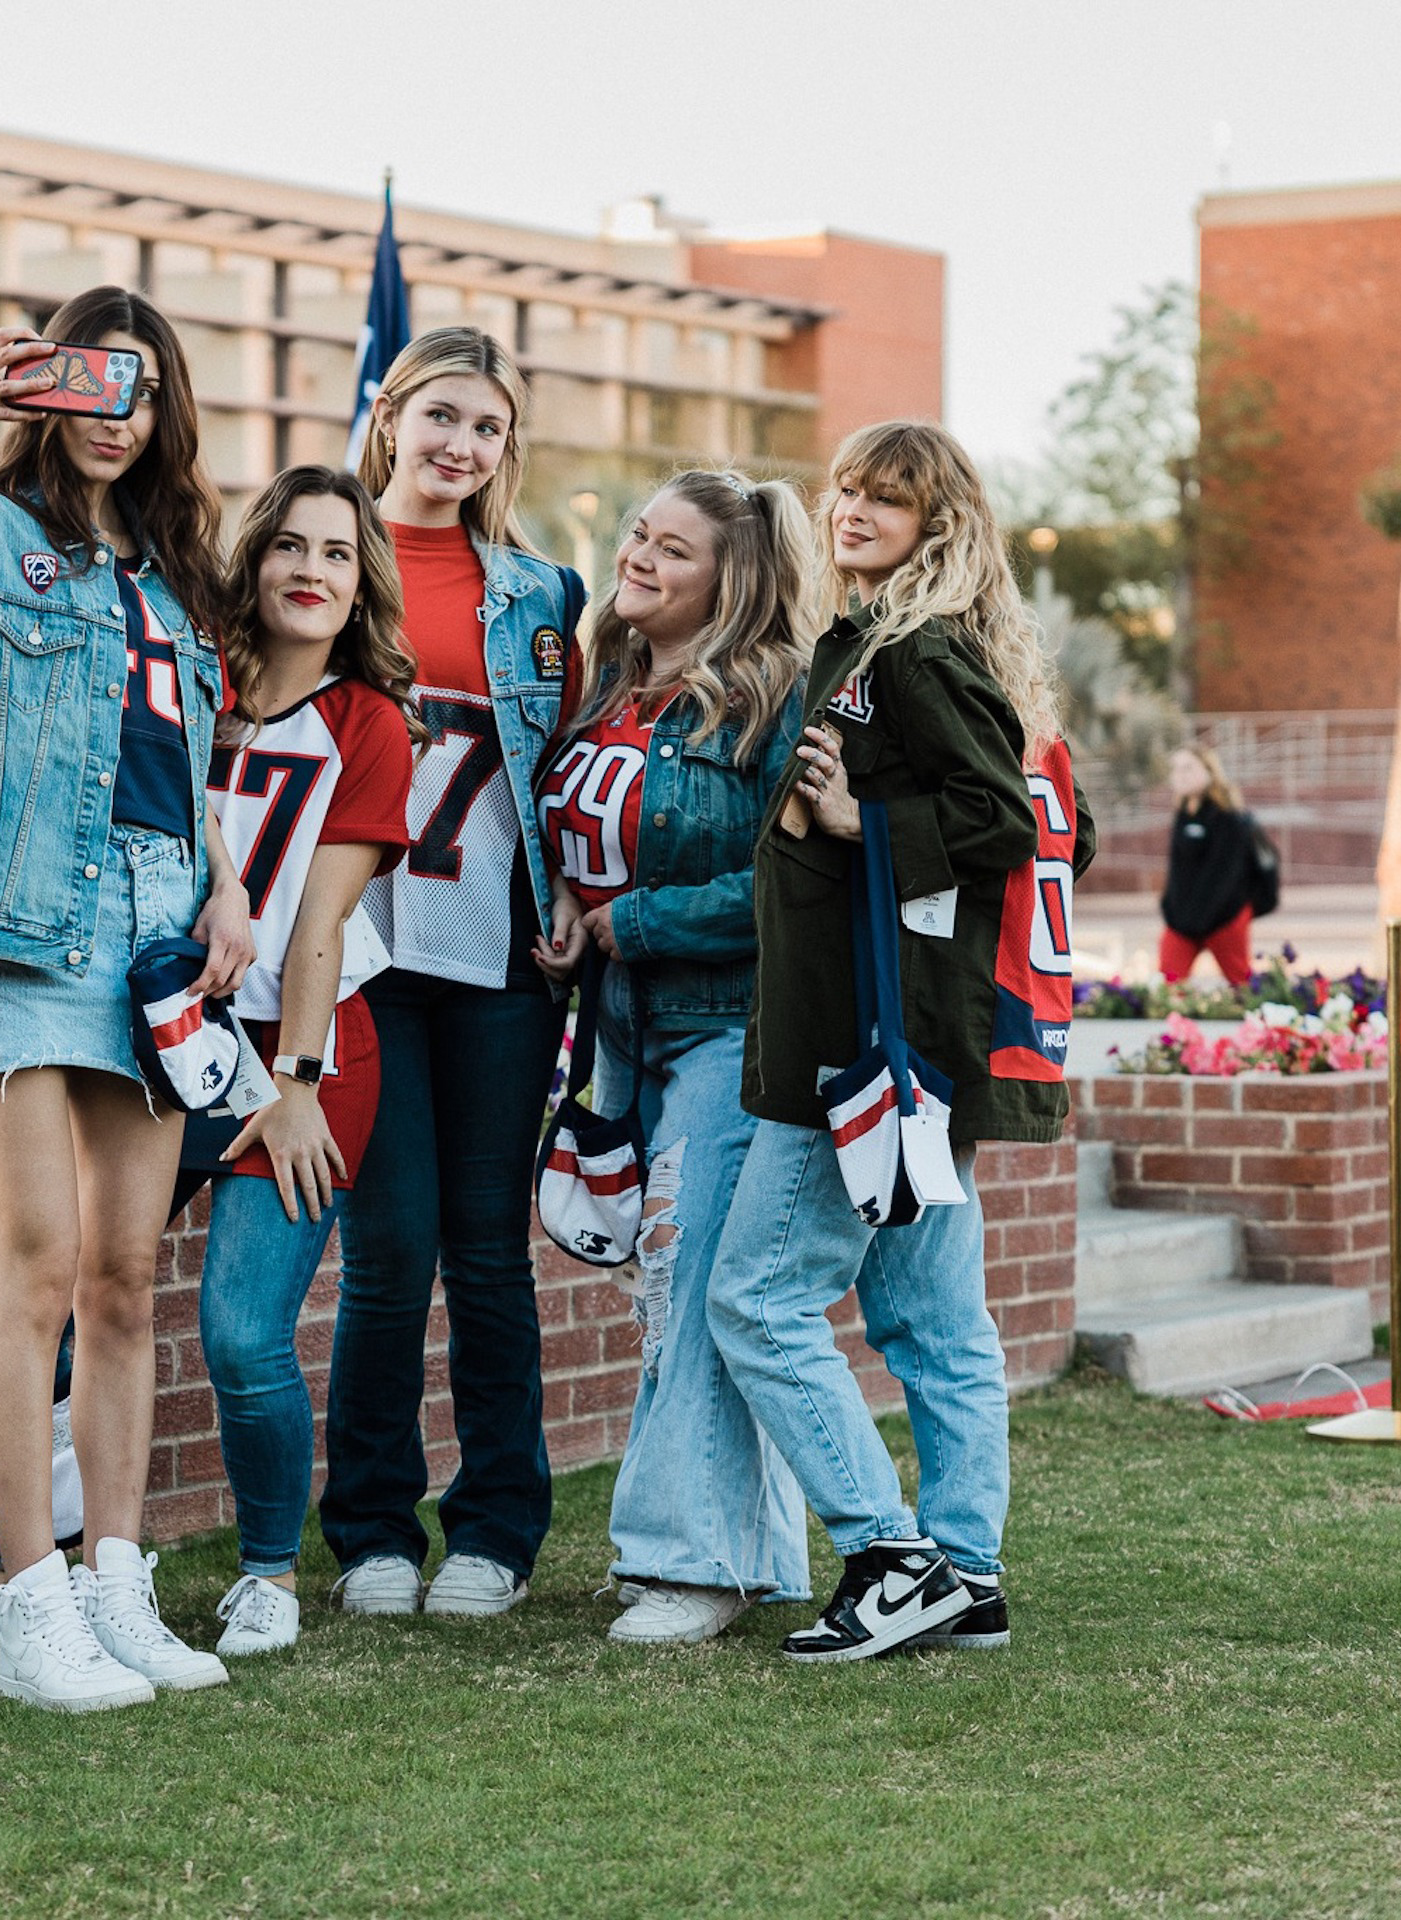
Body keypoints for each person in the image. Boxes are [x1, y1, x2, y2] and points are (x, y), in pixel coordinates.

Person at [0, 285, 254, 1711]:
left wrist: (225, 885)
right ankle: (29, 1608)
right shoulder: (8, 541)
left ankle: (117, 1585)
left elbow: (188, 770)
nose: (115, 413)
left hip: (162, 931)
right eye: (89, 382)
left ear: (164, 408)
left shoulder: (178, 583)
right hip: (27, 925)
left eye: (141, 387)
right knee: (32, 1280)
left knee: (123, 1284)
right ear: (49, 393)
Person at [707, 420, 1095, 1663]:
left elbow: (1004, 817)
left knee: (755, 1299)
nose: (854, 512)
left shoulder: (916, 651)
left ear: (941, 520)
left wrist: (856, 814)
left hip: (869, 1038)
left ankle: (891, 1552)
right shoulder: (873, 640)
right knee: (932, 1319)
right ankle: (966, 1570)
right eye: (846, 492)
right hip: (900, 1035)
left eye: (887, 498)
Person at [319, 326, 584, 1618]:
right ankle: (371, 1532)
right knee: (387, 1249)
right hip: (354, 955)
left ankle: (493, 1531)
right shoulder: (316, 553)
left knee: (485, 1251)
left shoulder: (543, 592)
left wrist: (586, 903)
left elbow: (574, 775)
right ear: (389, 412)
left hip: (497, 958)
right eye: (439, 415)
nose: (459, 446)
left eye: (484, 427)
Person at [535, 470, 813, 1646]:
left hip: (728, 1026)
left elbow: (789, 880)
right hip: (623, 1031)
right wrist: (564, 895)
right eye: (639, 536)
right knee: (672, 1282)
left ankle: (689, 1562)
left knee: (683, 1275)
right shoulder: (603, 685)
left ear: (730, 583)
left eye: (675, 551)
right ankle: (755, 1550)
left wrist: (635, 923)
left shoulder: (773, 698)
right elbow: (580, 825)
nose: (639, 558)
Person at [194, 466, 419, 1656]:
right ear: (254, 559)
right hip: (153, 1040)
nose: (311, 571)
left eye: (337, 553)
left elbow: (321, 927)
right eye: (289, 546)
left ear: (360, 578)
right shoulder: (190, 680)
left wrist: (294, 1088)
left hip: (304, 1050)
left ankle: (268, 1578)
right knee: (42, 1309)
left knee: (241, 1333)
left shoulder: (370, 723)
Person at [1158, 743, 1256, 986]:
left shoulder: (1228, 817)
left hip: (1223, 918)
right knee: (1168, 986)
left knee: (1243, 986)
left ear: (1209, 771)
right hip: (1183, 920)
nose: (1181, 774)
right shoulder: (1183, 814)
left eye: (1189, 767)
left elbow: (1226, 875)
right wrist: (1171, 908)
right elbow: (1177, 872)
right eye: (1176, 768)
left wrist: (1204, 917)